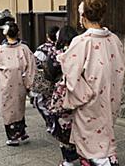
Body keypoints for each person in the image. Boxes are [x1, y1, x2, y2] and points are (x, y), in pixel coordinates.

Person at [57, 0, 125, 166]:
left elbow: (71, 74)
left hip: (88, 101)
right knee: (104, 133)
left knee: (90, 142)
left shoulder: (81, 41)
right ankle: (107, 158)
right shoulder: (114, 40)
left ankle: (102, 162)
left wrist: (83, 95)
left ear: (83, 16)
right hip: (109, 97)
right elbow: (120, 68)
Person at [0, 21, 37, 146]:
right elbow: (31, 67)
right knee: (19, 107)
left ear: (5, 34)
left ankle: (13, 137)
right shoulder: (24, 49)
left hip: (6, 83)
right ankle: (21, 132)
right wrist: (29, 84)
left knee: (8, 108)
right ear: (18, 33)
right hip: (20, 83)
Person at [48, 25, 79, 166]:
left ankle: (68, 159)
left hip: (62, 91)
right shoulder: (80, 50)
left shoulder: (57, 52)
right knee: (79, 123)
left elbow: (50, 71)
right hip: (79, 90)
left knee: (64, 123)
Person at [31, 25, 59, 132]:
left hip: (46, 80)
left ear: (48, 36)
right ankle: (55, 122)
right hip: (59, 80)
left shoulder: (42, 49)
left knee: (42, 102)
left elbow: (35, 62)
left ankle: (50, 122)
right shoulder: (62, 48)